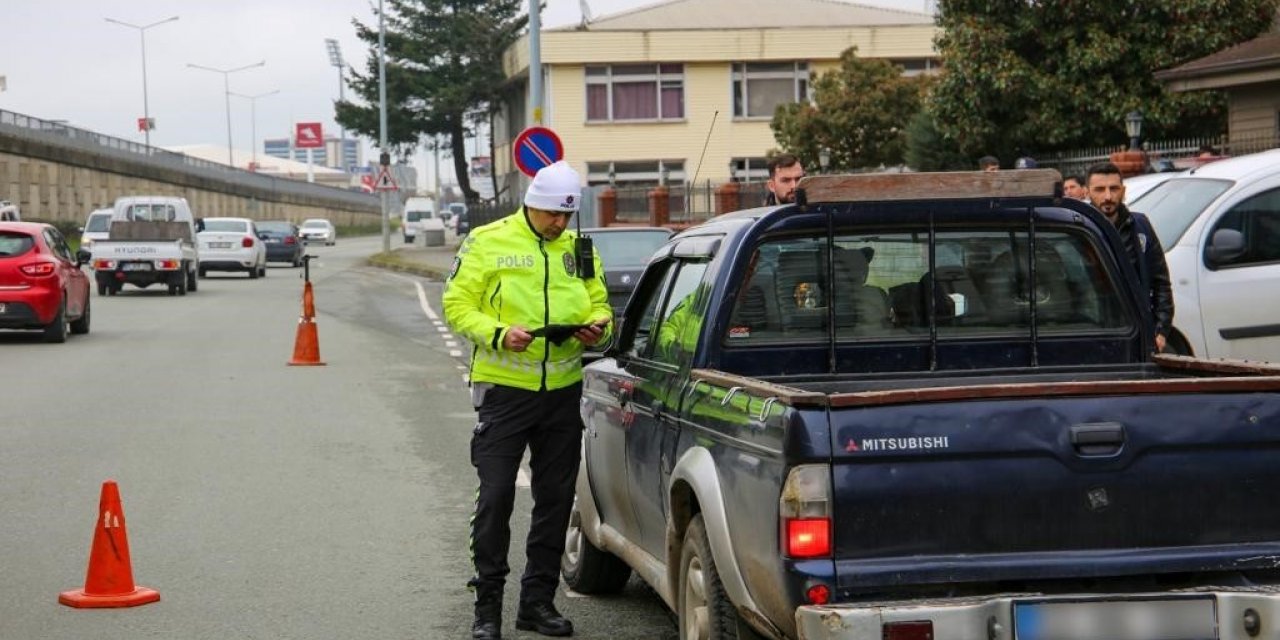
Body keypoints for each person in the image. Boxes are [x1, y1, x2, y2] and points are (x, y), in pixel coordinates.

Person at [443, 160, 613, 639]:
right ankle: (487, 610)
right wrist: (497, 334)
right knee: (496, 497)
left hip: (561, 393)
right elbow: (456, 304)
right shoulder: (487, 240)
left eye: (567, 215)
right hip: (505, 393)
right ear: (532, 204)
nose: (560, 224)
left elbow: (601, 302)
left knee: (555, 501)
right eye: (551, 215)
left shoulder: (578, 248)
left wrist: (598, 326)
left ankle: (536, 604)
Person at [1085, 161, 1174, 352]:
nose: (1108, 196)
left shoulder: (1140, 226)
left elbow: (1161, 282)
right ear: (1087, 192)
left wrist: (1161, 331)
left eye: (1114, 188)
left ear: (1123, 191)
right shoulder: (1079, 229)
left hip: (1137, 332)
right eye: (1100, 189)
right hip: (1093, 331)